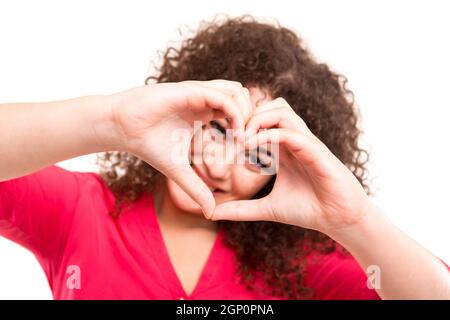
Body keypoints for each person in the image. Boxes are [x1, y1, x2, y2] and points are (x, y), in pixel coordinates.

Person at [0, 16, 449, 300]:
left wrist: (353, 221)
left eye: (257, 156)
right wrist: (114, 121)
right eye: (216, 129)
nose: (217, 166)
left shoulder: (304, 265)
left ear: (279, 175)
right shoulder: (84, 212)